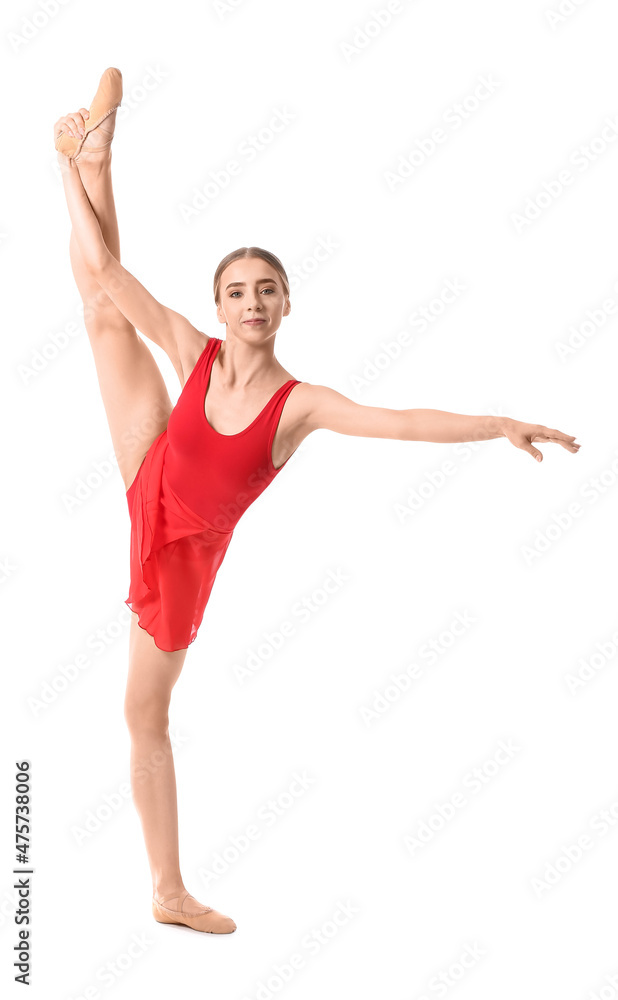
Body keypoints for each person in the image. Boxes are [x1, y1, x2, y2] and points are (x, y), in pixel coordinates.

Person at [54, 68, 580, 935]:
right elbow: (108, 270)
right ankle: (99, 153)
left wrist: (498, 424)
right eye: (236, 290)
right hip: (150, 471)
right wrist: (70, 171)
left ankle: (166, 892)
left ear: (287, 304)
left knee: (142, 713)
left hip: (181, 556)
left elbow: (402, 422)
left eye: (266, 289)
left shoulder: (297, 405)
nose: (251, 301)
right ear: (219, 308)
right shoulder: (193, 351)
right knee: (102, 307)